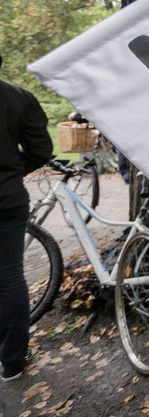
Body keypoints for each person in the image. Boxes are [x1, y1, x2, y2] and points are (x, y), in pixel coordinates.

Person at [1, 53, 53, 382]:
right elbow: (40, 149)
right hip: (6, 201)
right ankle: (12, 361)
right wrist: (10, 170)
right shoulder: (18, 97)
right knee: (9, 279)